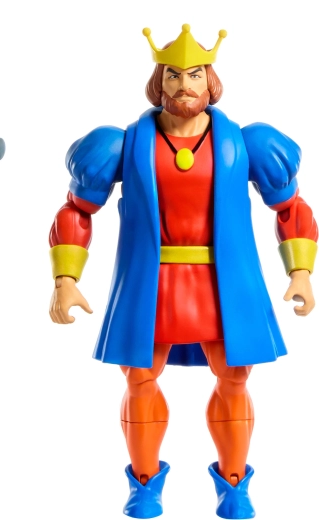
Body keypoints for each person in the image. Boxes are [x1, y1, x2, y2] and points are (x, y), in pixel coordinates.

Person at [49, 24, 318, 519]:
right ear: (159, 81)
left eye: (194, 75)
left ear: (210, 80)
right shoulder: (122, 144)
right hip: (150, 283)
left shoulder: (247, 143)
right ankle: (145, 483)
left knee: (234, 378)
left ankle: (233, 483)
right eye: (173, 75)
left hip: (223, 283)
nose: (183, 85)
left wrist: (300, 270)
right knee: (140, 378)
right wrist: (66, 279)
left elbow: (290, 207)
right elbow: (78, 209)